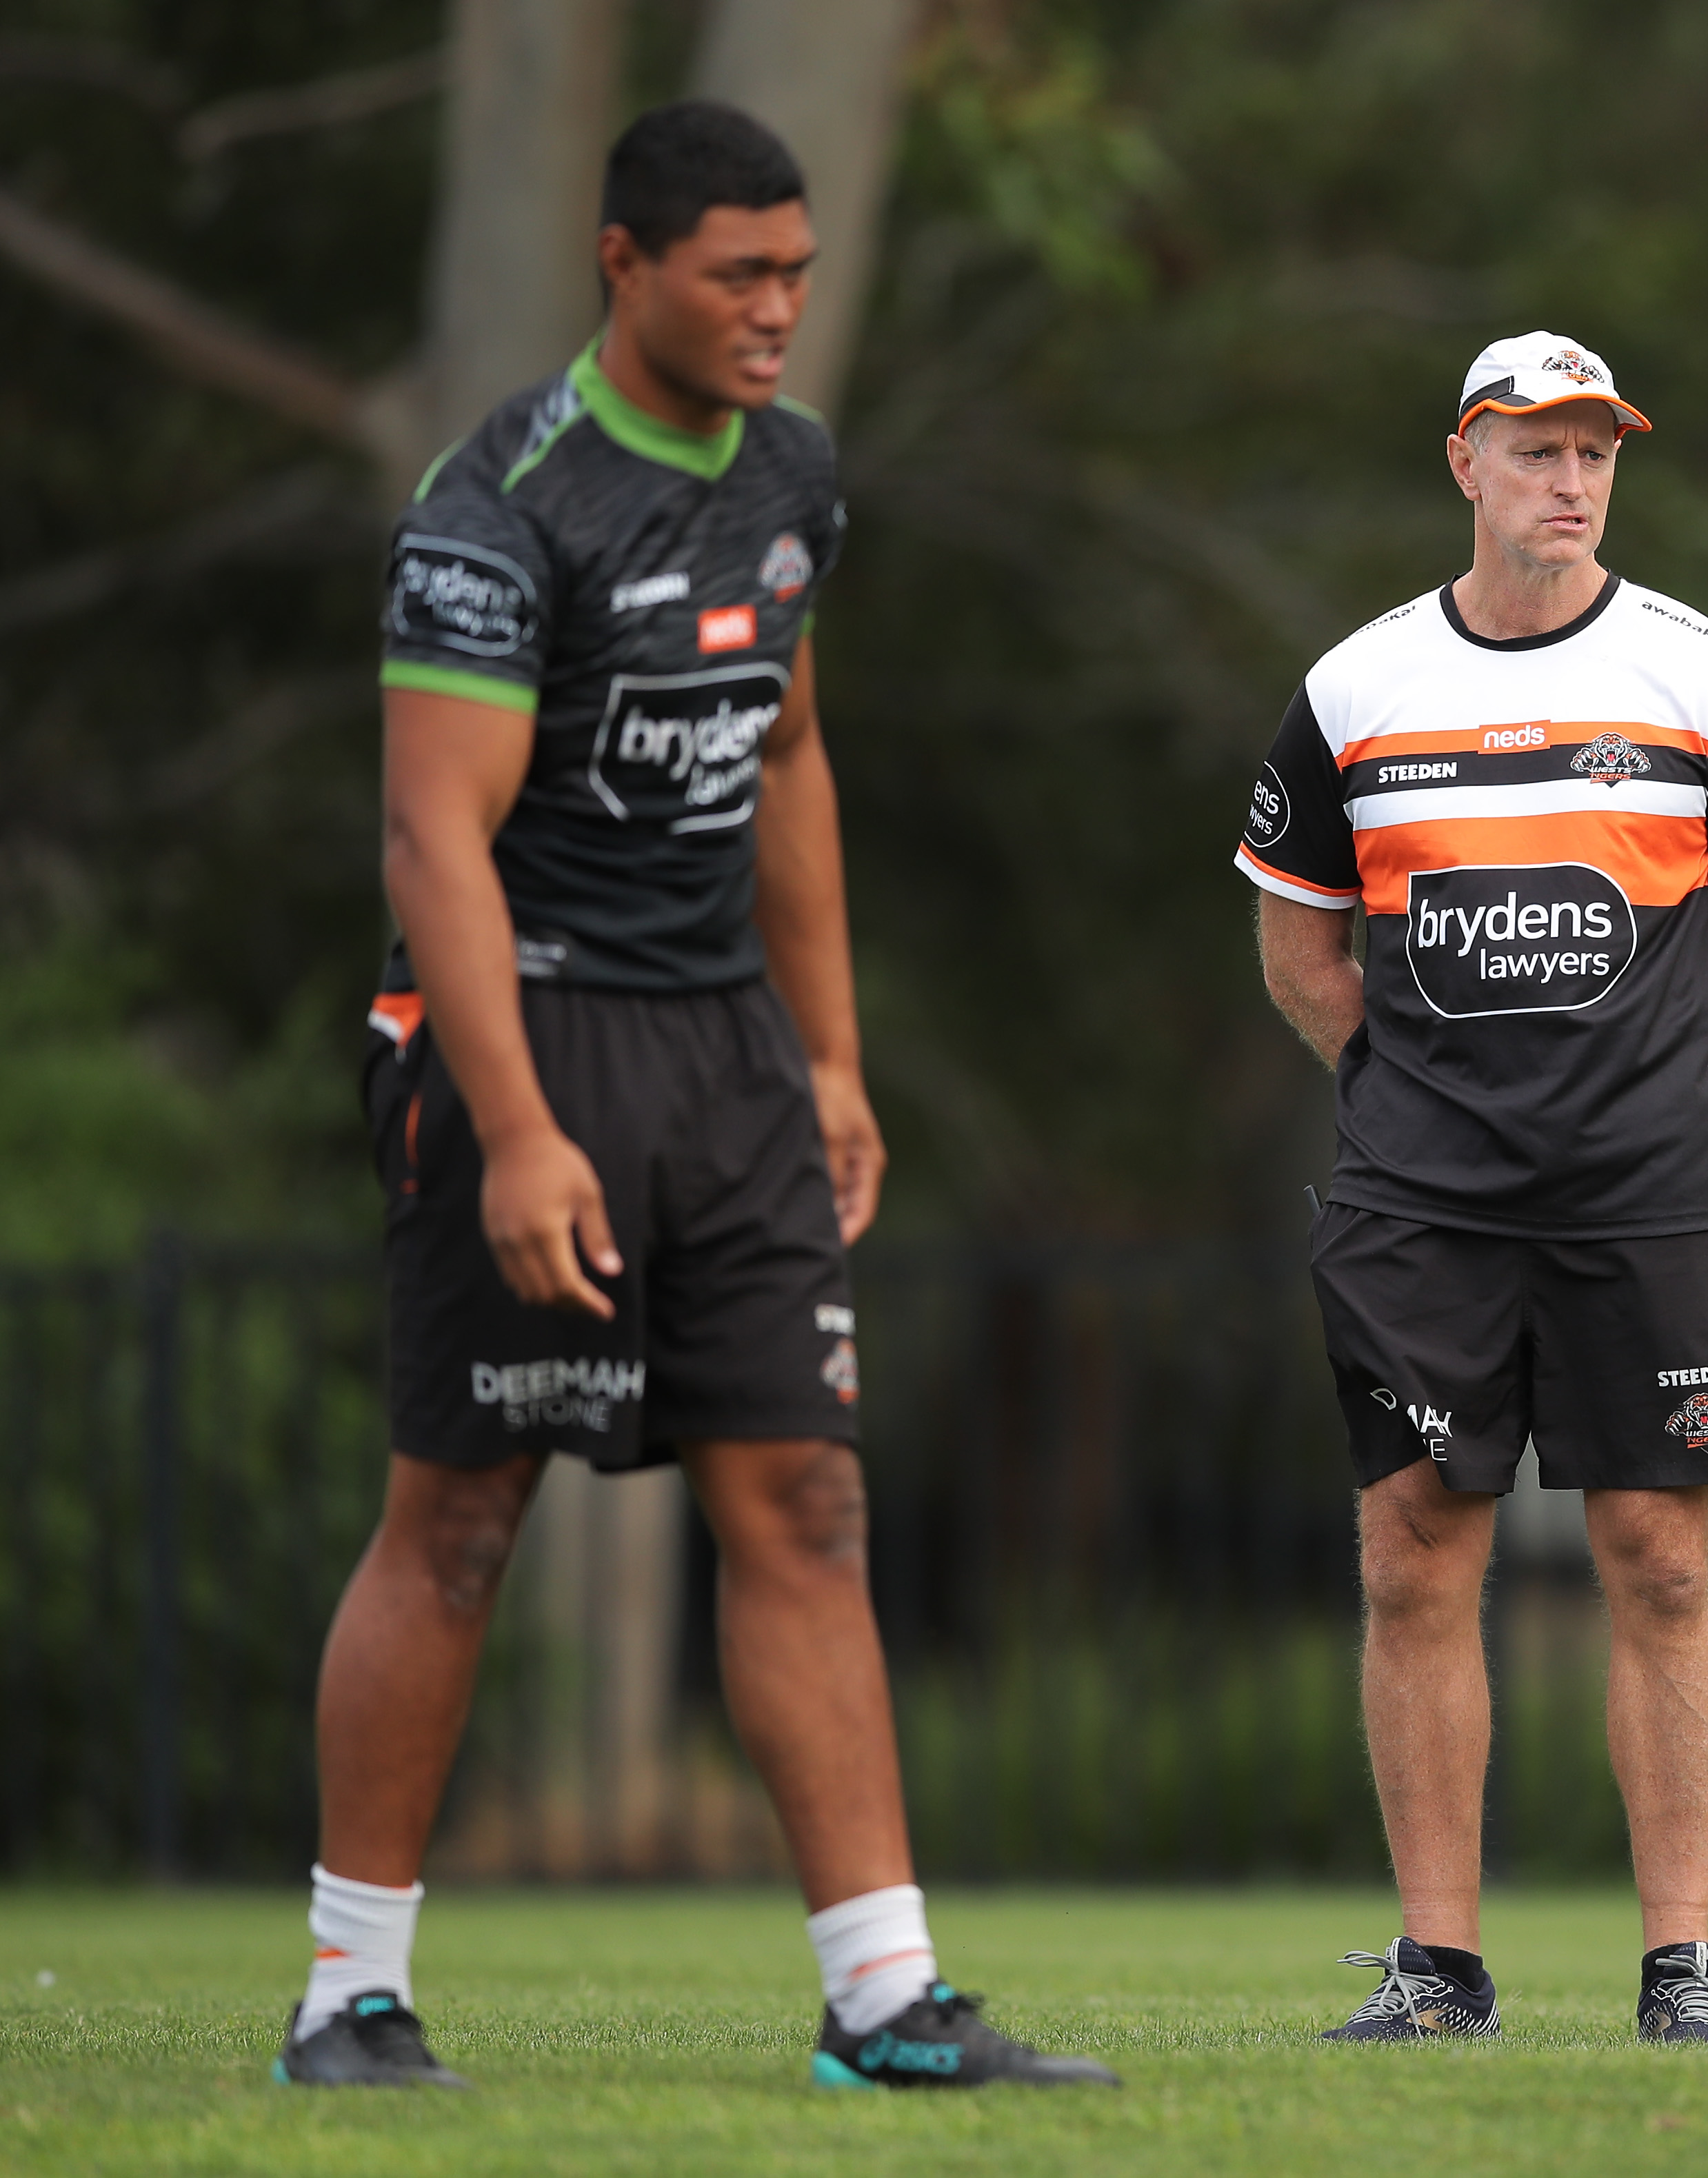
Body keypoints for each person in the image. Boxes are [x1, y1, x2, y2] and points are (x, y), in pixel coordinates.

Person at [293, 102, 1114, 2093]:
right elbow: (432, 845)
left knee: (807, 1501)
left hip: (728, 1050)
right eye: (739, 274)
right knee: (461, 1518)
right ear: (623, 264)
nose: (776, 310)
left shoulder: (796, 479)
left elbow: (794, 756)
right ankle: (352, 2000)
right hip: (532, 1034)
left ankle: (883, 2005)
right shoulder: (503, 505)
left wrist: (828, 1055)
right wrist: (513, 1124)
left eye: (797, 276)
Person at [1238, 331, 1708, 2044]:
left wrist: (1640, 1120)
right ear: (1463, 464)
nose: (1569, 480)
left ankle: (1681, 1964)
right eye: (1535, 448)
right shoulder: (1354, 690)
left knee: (1657, 1557)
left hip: (1649, 1202)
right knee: (1413, 1553)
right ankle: (1439, 1966)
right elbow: (1301, 957)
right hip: (1423, 1204)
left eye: (1594, 451)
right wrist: (1434, 1115)